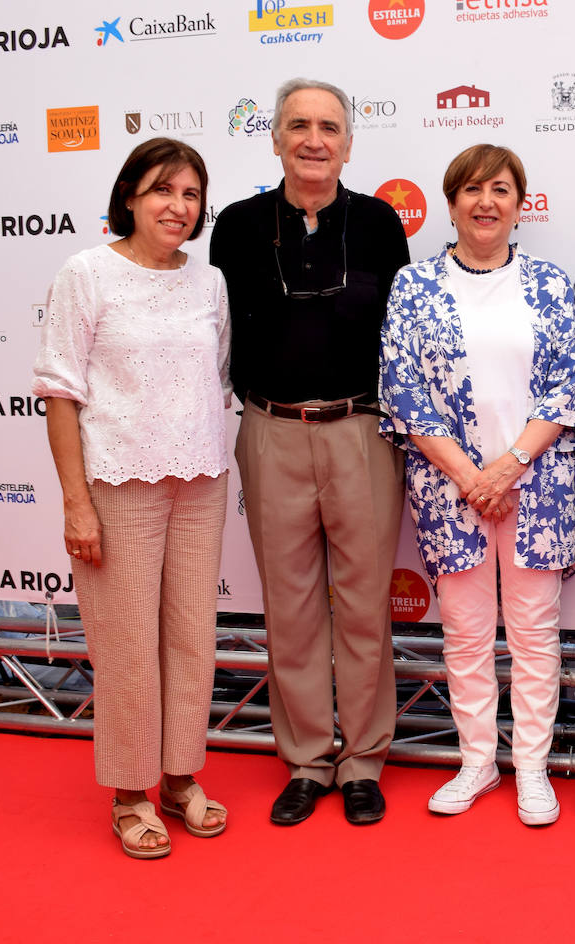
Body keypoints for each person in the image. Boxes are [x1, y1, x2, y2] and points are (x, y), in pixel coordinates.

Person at [210, 78, 410, 827]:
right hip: (270, 431)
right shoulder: (232, 225)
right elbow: (216, 334)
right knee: (290, 610)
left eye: (329, 126)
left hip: (362, 430)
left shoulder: (383, 224)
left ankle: (362, 763)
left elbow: (403, 339)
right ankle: (304, 761)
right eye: (299, 125)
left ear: (349, 143)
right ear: (275, 138)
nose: (314, 139)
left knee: (363, 607)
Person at [380, 144, 575, 826]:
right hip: (450, 489)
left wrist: (510, 467)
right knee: (467, 635)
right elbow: (403, 392)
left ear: (519, 204)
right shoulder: (414, 287)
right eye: (471, 189)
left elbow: (568, 381)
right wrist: (472, 477)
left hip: (538, 483)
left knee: (534, 634)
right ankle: (477, 761)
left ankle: (531, 767)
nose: (485, 202)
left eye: (500, 189)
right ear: (450, 204)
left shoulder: (549, 284)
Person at [33, 137, 230, 859]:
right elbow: (60, 392)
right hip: (116, 484)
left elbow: (220, 374)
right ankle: (128, 792)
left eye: (189, 194)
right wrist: (75, 502)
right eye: (161, 191)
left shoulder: (208, 283)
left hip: (202, 481)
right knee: (125, 647)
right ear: (128, 198)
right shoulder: (86, 273)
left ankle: (180, 779)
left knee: (190, 638)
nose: (176, 207)